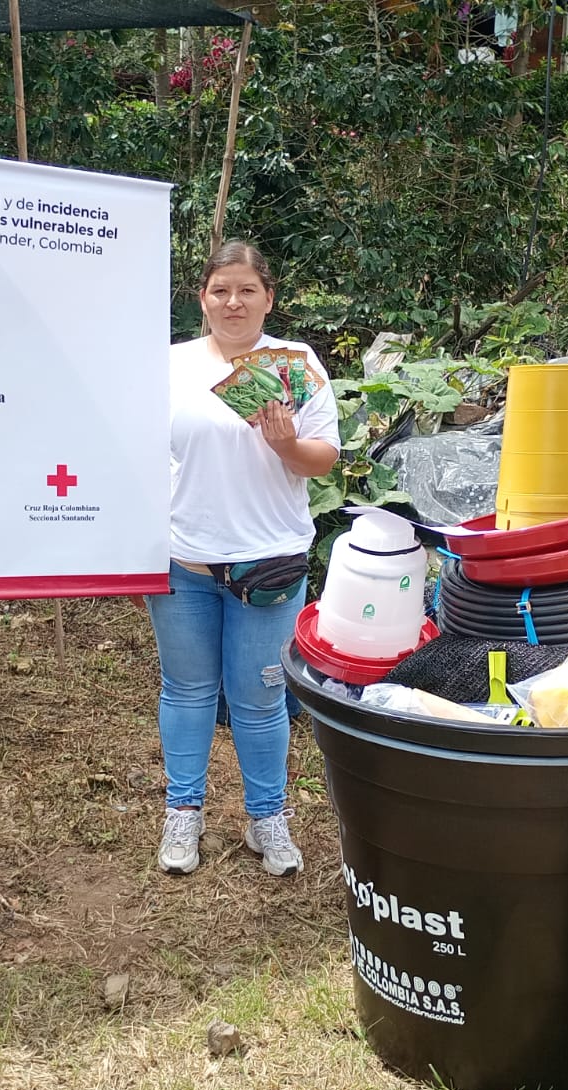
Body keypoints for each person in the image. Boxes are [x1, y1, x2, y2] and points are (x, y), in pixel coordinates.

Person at [148, 240, 340, 877]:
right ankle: (184, 814)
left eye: (247, 290)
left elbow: (324, 460)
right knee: (187, 689)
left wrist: (286, 443)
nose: (233, 302)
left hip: (269, 563)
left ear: (268, 298)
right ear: (201, 298)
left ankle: (268, 818)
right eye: (220, 290)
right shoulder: (168, 365)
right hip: (183, 560)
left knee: (260, 701)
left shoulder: (297, 364)